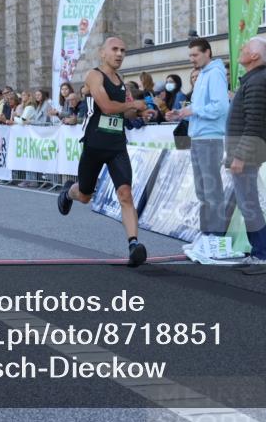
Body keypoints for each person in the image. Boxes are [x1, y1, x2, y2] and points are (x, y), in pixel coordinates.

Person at [57, 37, 154, 266]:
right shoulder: (94, 76)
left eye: (123, 50)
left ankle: (133, 245)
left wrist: (141, 113)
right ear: (103, 53)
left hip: (117, 146)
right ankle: (68, 192)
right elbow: (108, 107)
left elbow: (124, 113)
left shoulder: (122, 83)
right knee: (84, 196)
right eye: (115, 49)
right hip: (94, 145)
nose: (119, 54)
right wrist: (134, 105)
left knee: (125, 194)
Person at [224, 37, 266, 274]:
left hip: (248, 153)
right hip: (248, 151)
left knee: (248, 204)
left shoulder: (258, 80)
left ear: (254, 56)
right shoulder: (256, 79)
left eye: (246, 48)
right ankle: (260, 253)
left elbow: (253, 123)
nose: (241, 49)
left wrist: (240, 156)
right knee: (247, 203)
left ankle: (264, 256)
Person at [167, 38, 229, 254]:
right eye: (190, 55)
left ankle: (216, 238)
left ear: (207, 52)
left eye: (195, 55)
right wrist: (181, 113)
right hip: (199, 137)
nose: (191, 59)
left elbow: (220, 107)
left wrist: (192, 111)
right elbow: (201, 106)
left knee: (212, 191)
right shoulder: (203, 74)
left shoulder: (215, 74)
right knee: (203, 191)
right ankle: (207, 235)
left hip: (210, 138)